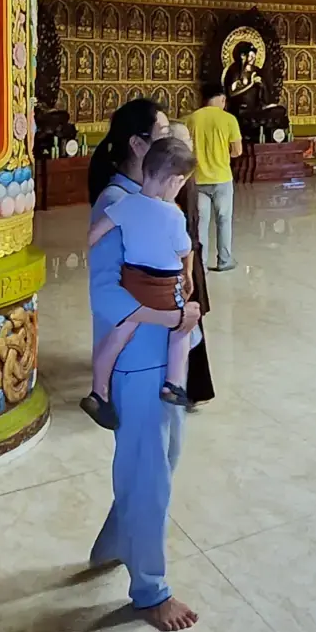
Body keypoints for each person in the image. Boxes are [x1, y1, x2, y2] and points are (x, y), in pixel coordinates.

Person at [84, 98, 200, 632]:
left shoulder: (155, 200)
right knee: (148, 471)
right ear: (137, 146)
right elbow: (106, 293)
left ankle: (116, 539)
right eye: (161, 131)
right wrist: (161, 316)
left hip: (161, 353)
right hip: (136, 360)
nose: (173, 134)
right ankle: (150, 590)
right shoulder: (116, 203)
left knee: (161, 460)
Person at [80, 137, 200, 428]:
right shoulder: (173, 214)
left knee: (118, 336)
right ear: (174, 181)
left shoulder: (126, 203)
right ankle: (172, 383)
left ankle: (99, 391)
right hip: (164, 287)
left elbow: (94, 235)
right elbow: (184, 250)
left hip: (132, 283)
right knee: (183, 327)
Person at [185, 83, 241, 271]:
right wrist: (222, 156)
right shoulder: (229, 119)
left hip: (198, 179)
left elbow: (185, 149)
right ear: (223, 99)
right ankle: (224, 260)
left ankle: (201, 265)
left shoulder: (192, 119)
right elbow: (237, 151)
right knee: (224, 220)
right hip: (222, 177)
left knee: (200, 223)